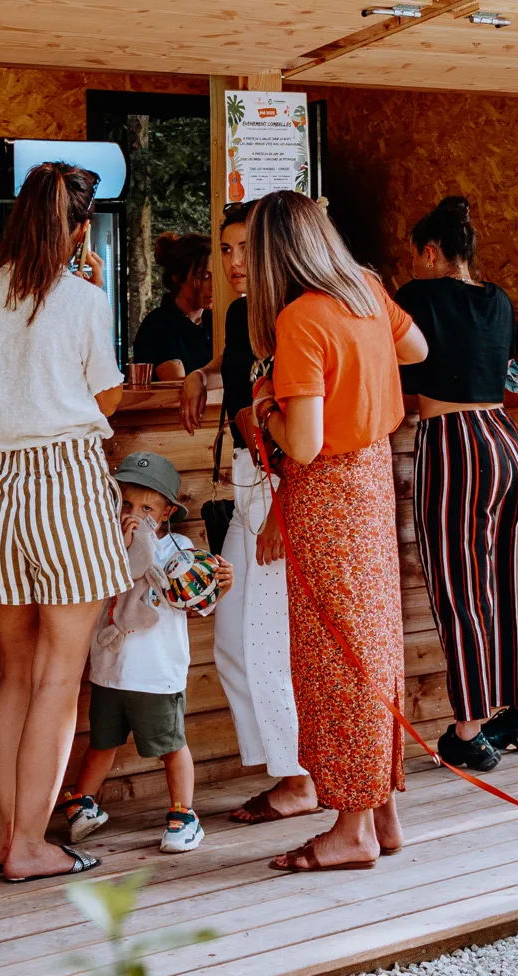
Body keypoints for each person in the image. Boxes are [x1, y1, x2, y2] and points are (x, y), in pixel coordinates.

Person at [0, 161, 130, 882]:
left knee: (13, 675)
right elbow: (105, 400)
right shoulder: (82, 299)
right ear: (80, 230)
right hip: (67, 491)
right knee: (57, 677)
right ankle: (29, 846)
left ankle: (1, 834)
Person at [248, 191, 429, 871]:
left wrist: (263, 409)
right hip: (373, 480)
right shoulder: (367, 292)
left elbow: (303, 443)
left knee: (336, 658)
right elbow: (418, 347)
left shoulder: (300, 320)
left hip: (328, 492)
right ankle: (380, 810)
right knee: (372, 642)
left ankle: (351, 828)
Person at [396, 196, 518, 771]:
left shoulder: (418, 297)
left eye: (415, 257)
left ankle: (468, 729)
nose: (413, 267)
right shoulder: (500, 301)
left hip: (455, 442)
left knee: (462, 587)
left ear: (432, 253)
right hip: (507, 440)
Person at [179, 202, 319, 823]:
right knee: (236, 638)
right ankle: (291, 770)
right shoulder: (243, 315)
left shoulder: (296, 317)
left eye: (243, 249)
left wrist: (282, 504)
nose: (232, 262)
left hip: (278, 486)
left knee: (261, 642)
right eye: (226, 250)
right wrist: (198, 371)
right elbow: (240, 372)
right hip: (247, 484)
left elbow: (310, 429)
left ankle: (299, 779)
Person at [60, 453, 232, 855]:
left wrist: (222, 583)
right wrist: (118, 548)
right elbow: (95, 589)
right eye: (125, 504)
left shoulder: (179, 549)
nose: (133, 516)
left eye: (147, 507)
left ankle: (184, 814)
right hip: (108, 670)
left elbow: (198, 601)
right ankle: (84, 801)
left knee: (171, 744)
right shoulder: (101, 547)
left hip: (156, 673)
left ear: (168, 511)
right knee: (102, 742)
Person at [133, 232, 214, 380]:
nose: (213, 286)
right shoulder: (158, 325)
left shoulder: (215, 321)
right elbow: (178, 384)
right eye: (203, 277)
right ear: (177, 276)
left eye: (216, 277)